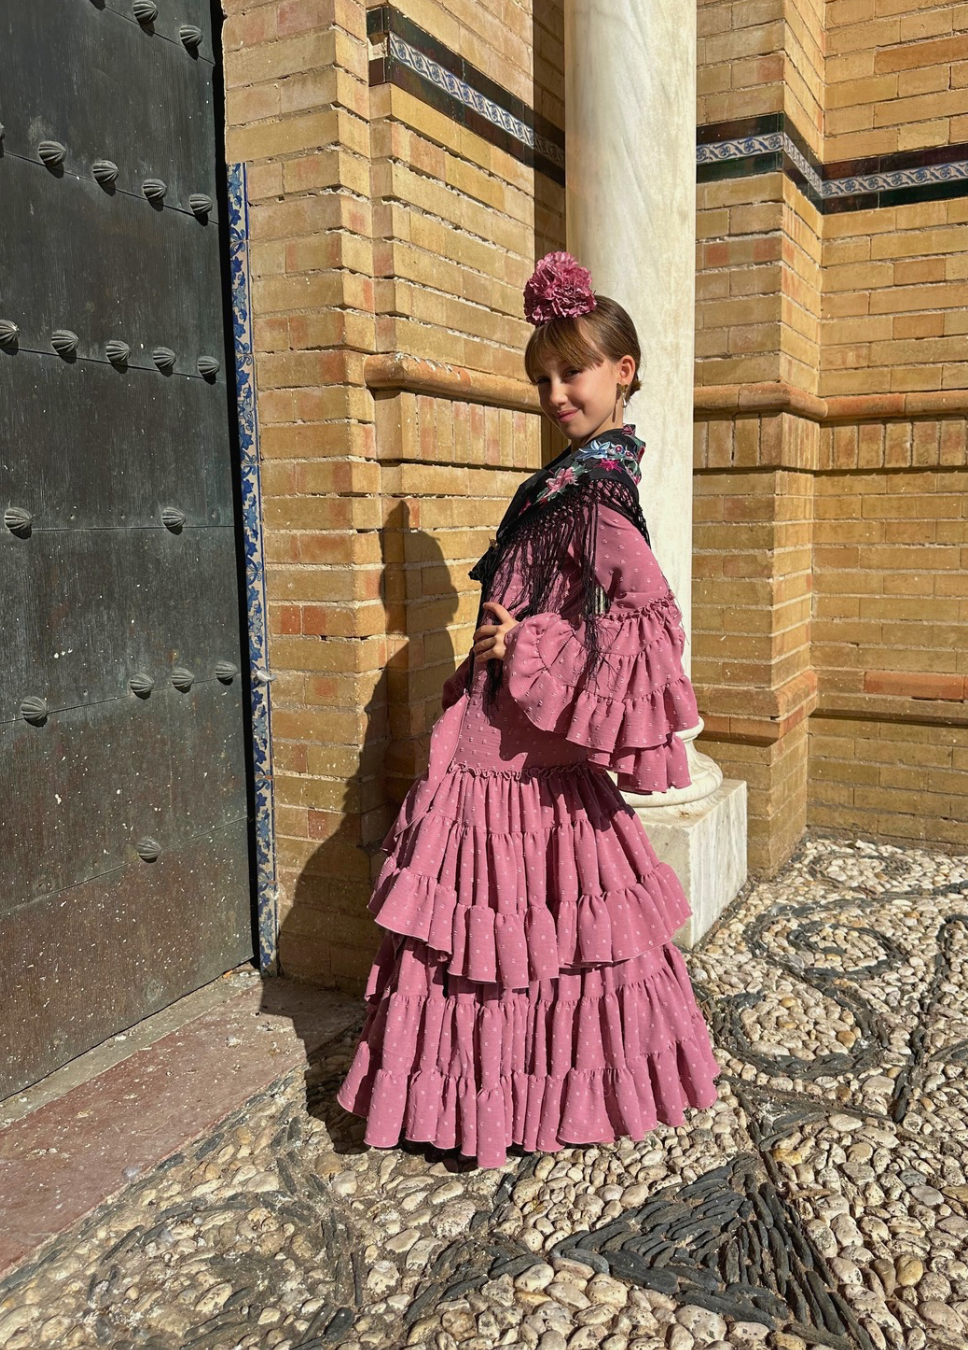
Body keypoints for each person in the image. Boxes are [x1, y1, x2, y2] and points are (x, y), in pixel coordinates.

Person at [336, 251, 722, 1168]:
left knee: (522, 932)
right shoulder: (560, 486)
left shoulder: (595, 495)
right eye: (542, 377)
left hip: (524, 752)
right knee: (506, 931)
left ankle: (524, 1102)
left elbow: (651, 623)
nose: (555, 393)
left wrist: (535, 645)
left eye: (573, 371)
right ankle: (499, 1099)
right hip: (503, 739)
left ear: (622, 371)